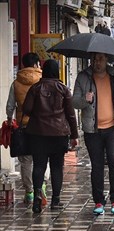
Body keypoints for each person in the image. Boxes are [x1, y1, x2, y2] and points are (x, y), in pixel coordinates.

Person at [72, 52, 114, 215]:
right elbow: (74, 102)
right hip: (93, 130)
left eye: (100, 59)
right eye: (94, 59)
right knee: (96, 166)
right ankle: (98, 201)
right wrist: (85, 99)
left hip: (113, 129)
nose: (97, 62)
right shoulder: (83, 77)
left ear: (106, 60)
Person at [23, 59, 79, 213]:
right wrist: (74, 134)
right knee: (56, 167)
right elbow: (71, 115)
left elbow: (26, 109)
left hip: (37, 133)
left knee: (39, 165)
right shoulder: (63, 89)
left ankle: (36, 198)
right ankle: (55, 200)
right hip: (58, 134)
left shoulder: (35, 88)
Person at [6, 52, 48, 206]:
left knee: (25, 160)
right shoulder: (43, 81)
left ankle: (29, 192)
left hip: (24, 125)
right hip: (42, 124)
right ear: (37, 64)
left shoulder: (16, 83)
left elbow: (10, 105)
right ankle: (41, 185)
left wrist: (10, 119)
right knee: (41, 157)